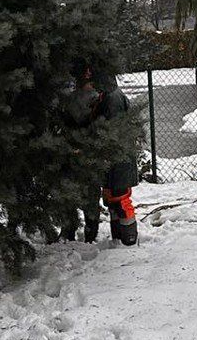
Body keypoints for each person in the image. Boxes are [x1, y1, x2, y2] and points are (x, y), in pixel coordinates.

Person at [59, 61, 139, 246]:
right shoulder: (104, 96)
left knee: (120, 198)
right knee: (112, 198)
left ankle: (128, 239)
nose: (88, 87)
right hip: (112, 157)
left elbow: (109, 131)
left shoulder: (111, 99)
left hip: (119, 158)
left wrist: (89, 146)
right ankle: (119, 237)